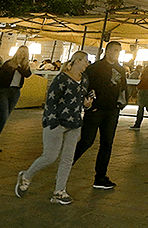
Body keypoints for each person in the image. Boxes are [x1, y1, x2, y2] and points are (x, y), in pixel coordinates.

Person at [15, 51, 93, 205]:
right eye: (85, 61)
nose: (87, 64)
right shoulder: (62, 78)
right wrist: (52, 121)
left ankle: (59, 191)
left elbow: (80, 99)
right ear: (77, 61)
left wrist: (87, 104)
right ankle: (26, 176)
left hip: (74, 123)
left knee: (67, 159)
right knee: (50, 156)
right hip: (57, 121)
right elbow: (51, 100)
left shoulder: (84, 79)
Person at [72, 41, 128, 190]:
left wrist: (120, 104)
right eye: (114, 50)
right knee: (86, 141)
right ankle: (66, 163)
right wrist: (89, 103)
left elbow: (123, 88)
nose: (116, 53)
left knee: (107, 143)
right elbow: (85, 85)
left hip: (111, 111)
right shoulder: (94, 68)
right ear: (107, 51)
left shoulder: (120, 69)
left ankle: (100, 176)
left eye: (118, 51)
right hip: (96, 110)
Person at [0, 45, 32, 154]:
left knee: (6, 116)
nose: (22, 54)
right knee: (3, 116)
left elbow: (27, 74)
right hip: (4, 91)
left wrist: (18, 67)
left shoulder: (24, 66)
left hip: (15, 91)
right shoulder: (8, 64)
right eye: (21, 52)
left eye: (24, 53)